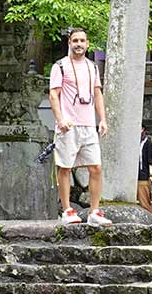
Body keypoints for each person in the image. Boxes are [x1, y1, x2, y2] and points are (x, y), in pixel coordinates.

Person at [48, 28, 112, 227]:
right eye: (75, 40)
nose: (78, 44)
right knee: (65, 167)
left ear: (87, 43)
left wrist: (102, 119)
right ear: (69, 42)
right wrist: (60, 119)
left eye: (82, 41)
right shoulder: (60, 66)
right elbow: (53, 94)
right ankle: (67, 210)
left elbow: (97, 93)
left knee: (96, 167)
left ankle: (94, 211)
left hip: (88, 124)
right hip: (68, 125)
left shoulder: (93, 67)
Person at [137, 127, 152, 212]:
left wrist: (151, 176)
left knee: (144, 203)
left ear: (143, 129)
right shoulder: (134, 143)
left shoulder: (147, 144)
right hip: (133, 176)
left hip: (143, 176)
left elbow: (151, 162)